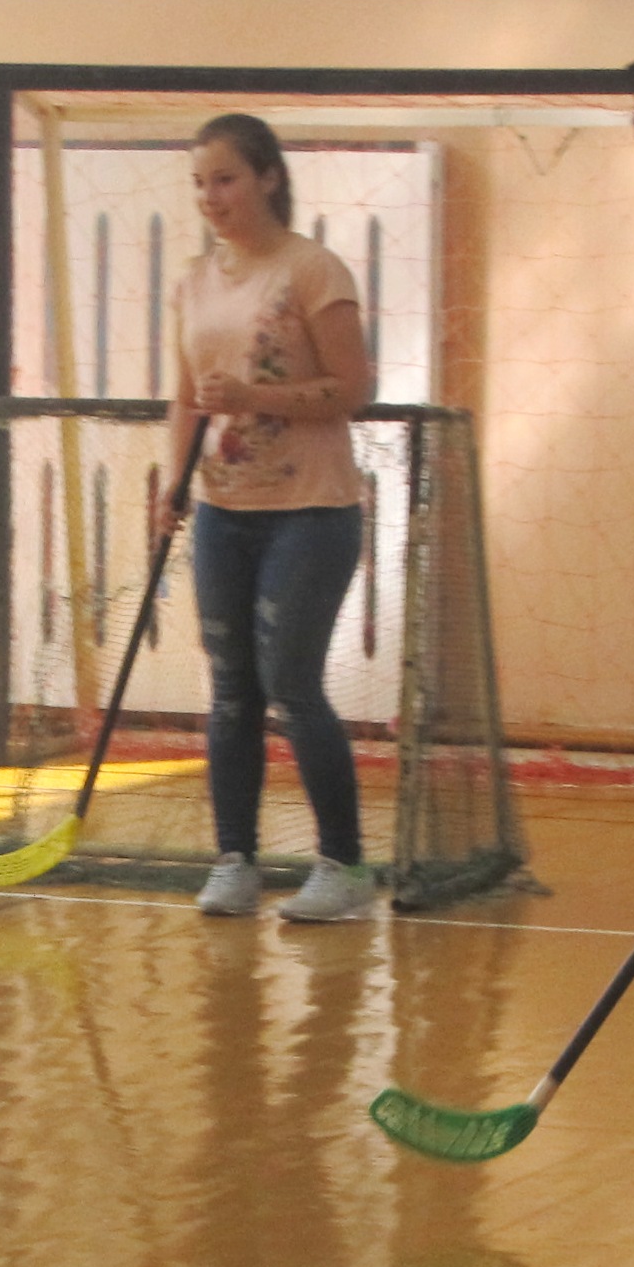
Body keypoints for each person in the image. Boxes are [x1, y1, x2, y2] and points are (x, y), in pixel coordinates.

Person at [162, 113, 378, 922]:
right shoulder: (193, 280)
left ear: (267, 179)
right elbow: (184, 392)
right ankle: (235, 860)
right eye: (198, 183)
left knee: (291, 683)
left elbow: (353, 389)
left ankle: (344, 868)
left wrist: (256, 398)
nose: (209, 197)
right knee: (229, 690)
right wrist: (171, 485)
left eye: (223, 179)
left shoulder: (312, 271)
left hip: (310, 510)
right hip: (223, 506)